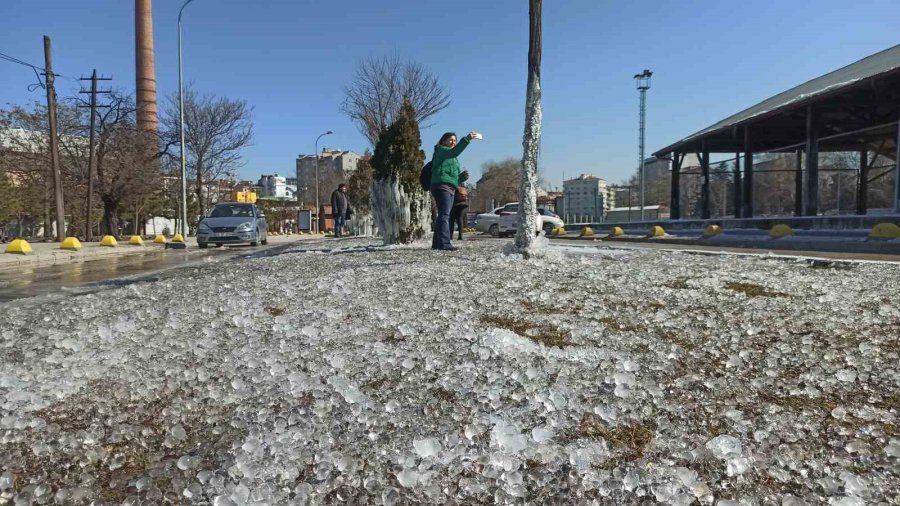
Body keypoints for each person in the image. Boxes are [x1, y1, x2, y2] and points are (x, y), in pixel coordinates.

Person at [430, 131, 479, 250]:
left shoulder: (454, 159)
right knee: (445, 215)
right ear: (443, 141)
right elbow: (453, 151)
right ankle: (444, 243)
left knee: (443, 214)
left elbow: (455, 180)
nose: (453, 142)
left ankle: (437, 244)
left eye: (455, 140)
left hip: (451, 188)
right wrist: (466, 139)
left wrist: (463, 177)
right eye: (451, 140)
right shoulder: (441, 150)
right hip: (441, 185)